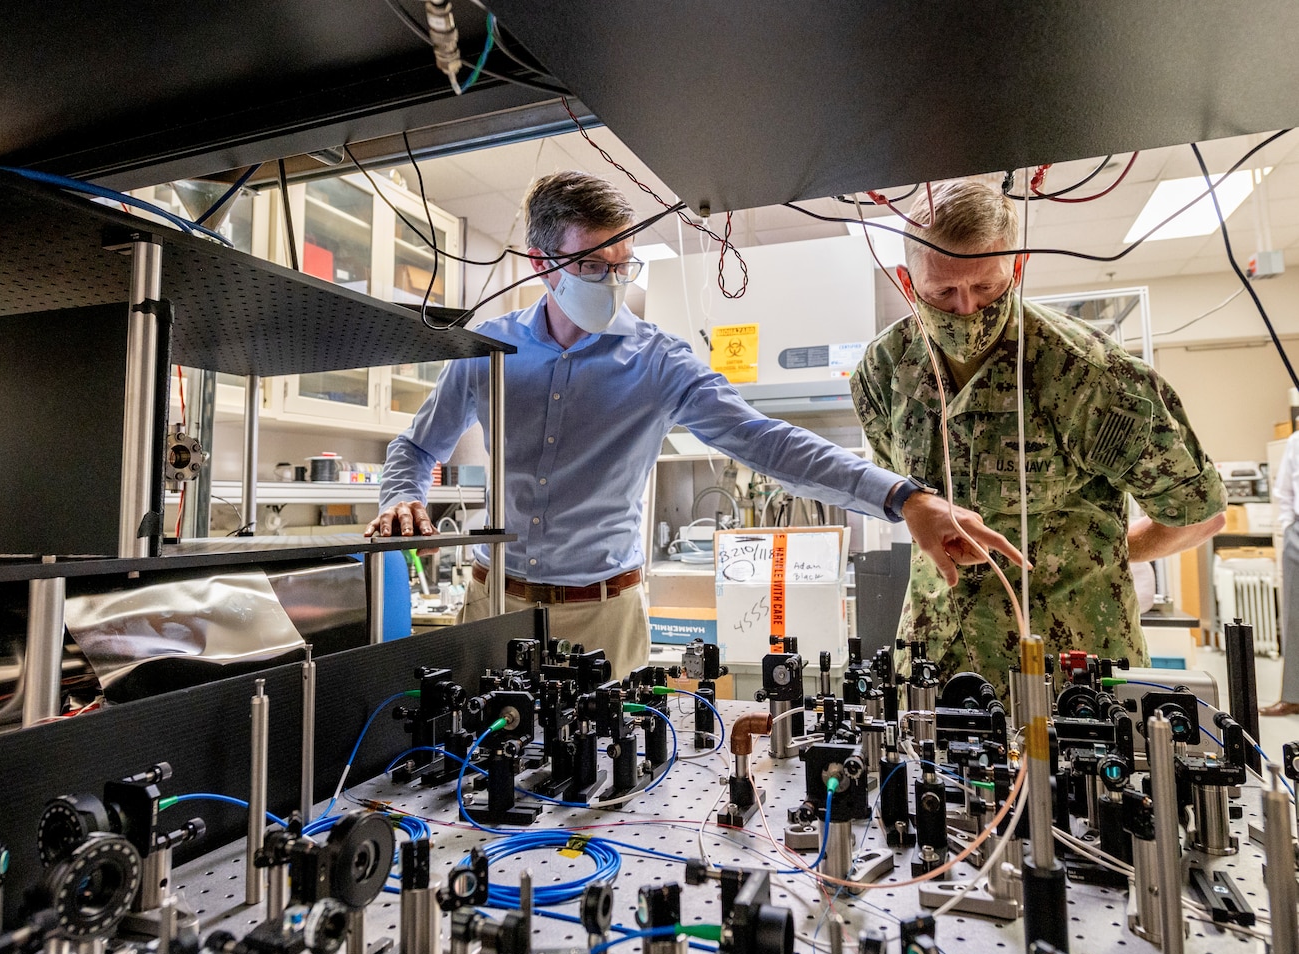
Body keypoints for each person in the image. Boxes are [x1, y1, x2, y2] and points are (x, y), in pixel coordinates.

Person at [366, 171, 1021, 676]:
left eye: (623, 266)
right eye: (592, 267)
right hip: (492, 606)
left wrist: (904, 497)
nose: (612, 282)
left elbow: (766, 441)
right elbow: (417, 446)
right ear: (542, 265)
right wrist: (402, 494)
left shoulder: (656, 362)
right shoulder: (489, 349)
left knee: (603, 797)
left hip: (603, 615)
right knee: (476, 781)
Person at [851, 179, 1227, 687]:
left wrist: (1109, 549)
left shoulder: (1089, 377)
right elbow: (893, 489)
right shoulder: (884, 371)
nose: (966, 309)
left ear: (1019, 267)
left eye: (987, 286)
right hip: (935, 661)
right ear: (905, 281)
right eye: (942, 292)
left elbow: (1198, 514)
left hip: (1070, 663)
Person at [1261, 430, 1299, 716]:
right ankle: (1293, 696)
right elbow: (1284, 490)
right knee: (1294, 617)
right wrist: (1288, 526)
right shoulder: (1296, 441)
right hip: (1297, 533)